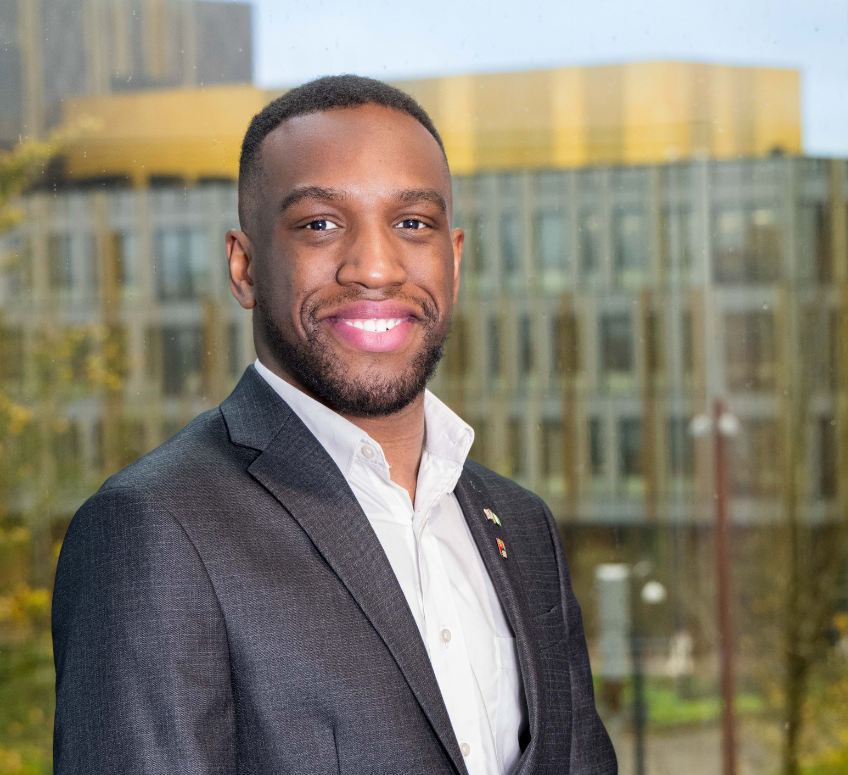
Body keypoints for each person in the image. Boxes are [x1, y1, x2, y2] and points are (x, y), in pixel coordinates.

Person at [52, 75, 616, 775]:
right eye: (320, 224)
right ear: (244, 266)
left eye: (412, 223)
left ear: (455, 259)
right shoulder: (153, 529)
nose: (374, 268)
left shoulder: (523, 527)